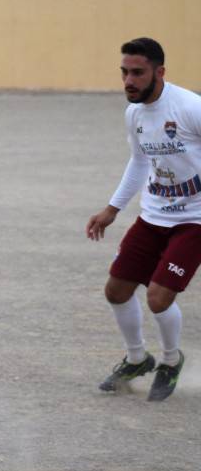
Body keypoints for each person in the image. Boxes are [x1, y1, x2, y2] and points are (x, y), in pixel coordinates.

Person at [86, 37, 201, 401]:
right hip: (153, 216)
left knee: (157, 297)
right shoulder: (134, 113)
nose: (128, 81)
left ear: (159, 72)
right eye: (124, 72)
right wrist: (112, 208)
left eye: (137, 73)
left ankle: (170, 360)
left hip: (195, 220)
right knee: (116, 291)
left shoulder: (190, 107)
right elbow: (139, 161)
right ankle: (137, 358)